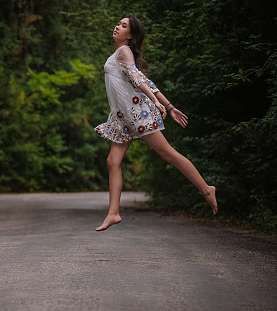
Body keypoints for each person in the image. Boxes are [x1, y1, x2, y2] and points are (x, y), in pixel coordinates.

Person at [93, 14, 218, 231]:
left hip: (136, 113)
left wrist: (156, 102)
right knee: (113, 162)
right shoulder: (120, 54)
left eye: (123, 26)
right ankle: (113, 213)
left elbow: (138, 78)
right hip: (123, 117)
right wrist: (169, 106)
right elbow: (146, 79)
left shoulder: (124, 51)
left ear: (130, 35)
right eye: (119, 23)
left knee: (168, 153)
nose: (117, 27)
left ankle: (206, 189)